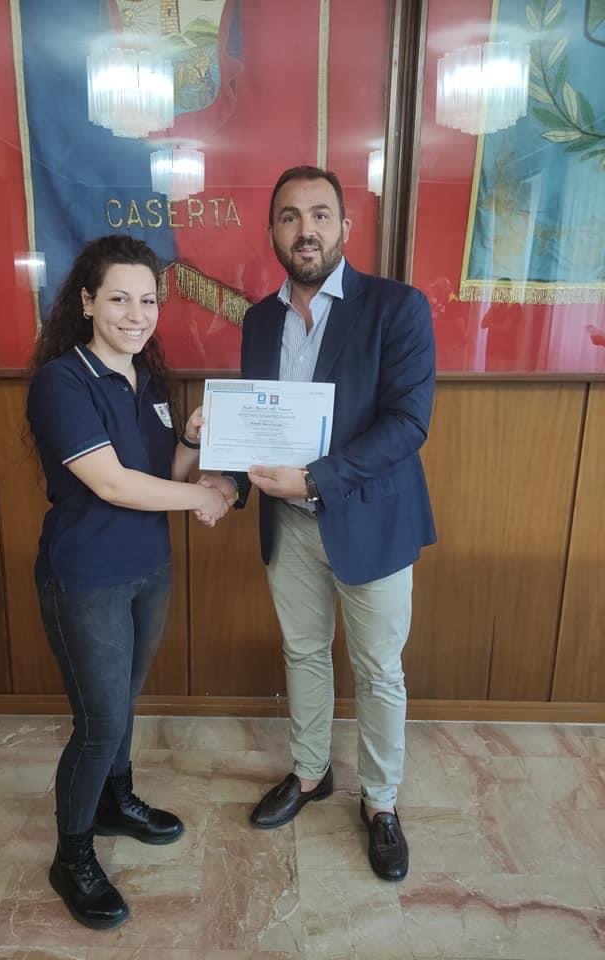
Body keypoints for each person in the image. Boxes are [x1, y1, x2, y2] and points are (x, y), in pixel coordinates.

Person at [201, 165, 436, 882]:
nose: (305, 229)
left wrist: (316, 478)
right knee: (303, 651)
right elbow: (259, 426)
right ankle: (309, 773)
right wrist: (226, 479)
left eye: (320, 214)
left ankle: (382, 802)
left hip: (371, 520)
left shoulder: (396, 308)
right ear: (273, 232)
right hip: (290, 526)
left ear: (344, 227)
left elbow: (408, 424)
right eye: (289, 216)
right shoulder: (260, 320)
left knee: (378, 669)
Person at [27, 234, 229, 930]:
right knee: (100, 720)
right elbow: (112, 484)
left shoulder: (152, 382)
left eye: (147, 300)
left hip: (149, 568)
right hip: (86, 576)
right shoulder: (62, 382)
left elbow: (161, 475)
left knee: (123, 700)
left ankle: (116, 800)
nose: (136, 314)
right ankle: (72, 855)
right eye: (119, 298)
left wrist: (193, 442)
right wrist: (204, 497)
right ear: (86, 302)